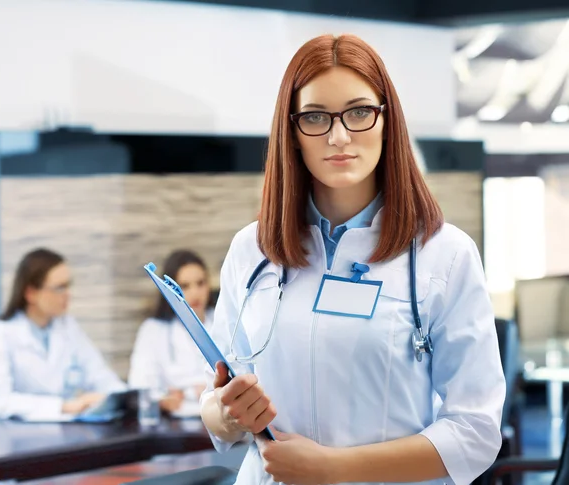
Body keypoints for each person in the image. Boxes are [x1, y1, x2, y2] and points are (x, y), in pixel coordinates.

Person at [199, 34, 505, 485]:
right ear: (292, 131)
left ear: (387, 120)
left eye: (359, 112)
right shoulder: (252, 249)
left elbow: (476, 432)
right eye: (316, 117)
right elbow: (216, 397)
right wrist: (225, 415)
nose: (339, 136)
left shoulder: (446, 255)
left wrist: (334, 469)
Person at [0, 248, 126, 421]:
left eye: (68, 286)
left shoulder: (68, 327)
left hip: (66, 432)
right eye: (59, 288)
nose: (68, 294)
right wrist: (64, 406)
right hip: (17, 439)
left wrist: (116, 398)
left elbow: (100, 376)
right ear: (31, 293)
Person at [129, 249, 214, 415]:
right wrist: (164, 398)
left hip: (222, 421)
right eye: (185, 286)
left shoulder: (223, 321)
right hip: (174, 423)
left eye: (200, 283)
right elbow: (141, 385)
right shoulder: (153, 330)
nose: (195, 293)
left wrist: (184, 391)